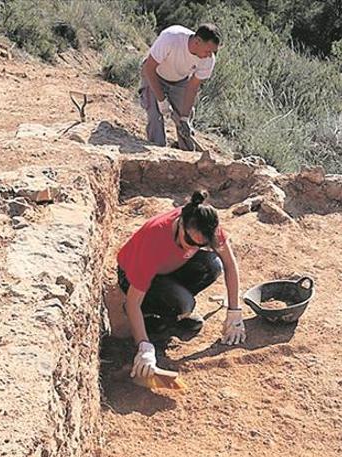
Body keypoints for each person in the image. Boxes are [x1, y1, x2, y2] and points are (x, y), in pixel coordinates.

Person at [116, 191, 245, 378]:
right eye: (190, 241)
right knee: (184, 304)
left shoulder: (206, 224)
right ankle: (153, 315)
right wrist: (143, 346)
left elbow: (229, 265)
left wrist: (235, 312)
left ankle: (172, 309)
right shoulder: (155, 238)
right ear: (181, 223)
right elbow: (132, 302)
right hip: (131, 278)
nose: (193, 248)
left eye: (200, 246)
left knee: (213, 266)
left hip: (168, 269)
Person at [139, 23, 221, 151]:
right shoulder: (171, 38)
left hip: (179, 81)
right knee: (156, 116)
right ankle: (157, 151)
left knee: (184, 125)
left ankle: (188, 156)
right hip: (154, 75)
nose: (209, 55)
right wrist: (161, 100)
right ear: (198, 41)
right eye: (208, 51)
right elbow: (149, 68)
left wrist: (184, 117)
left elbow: (192, 87)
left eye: (212, 52)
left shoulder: (208, 60)